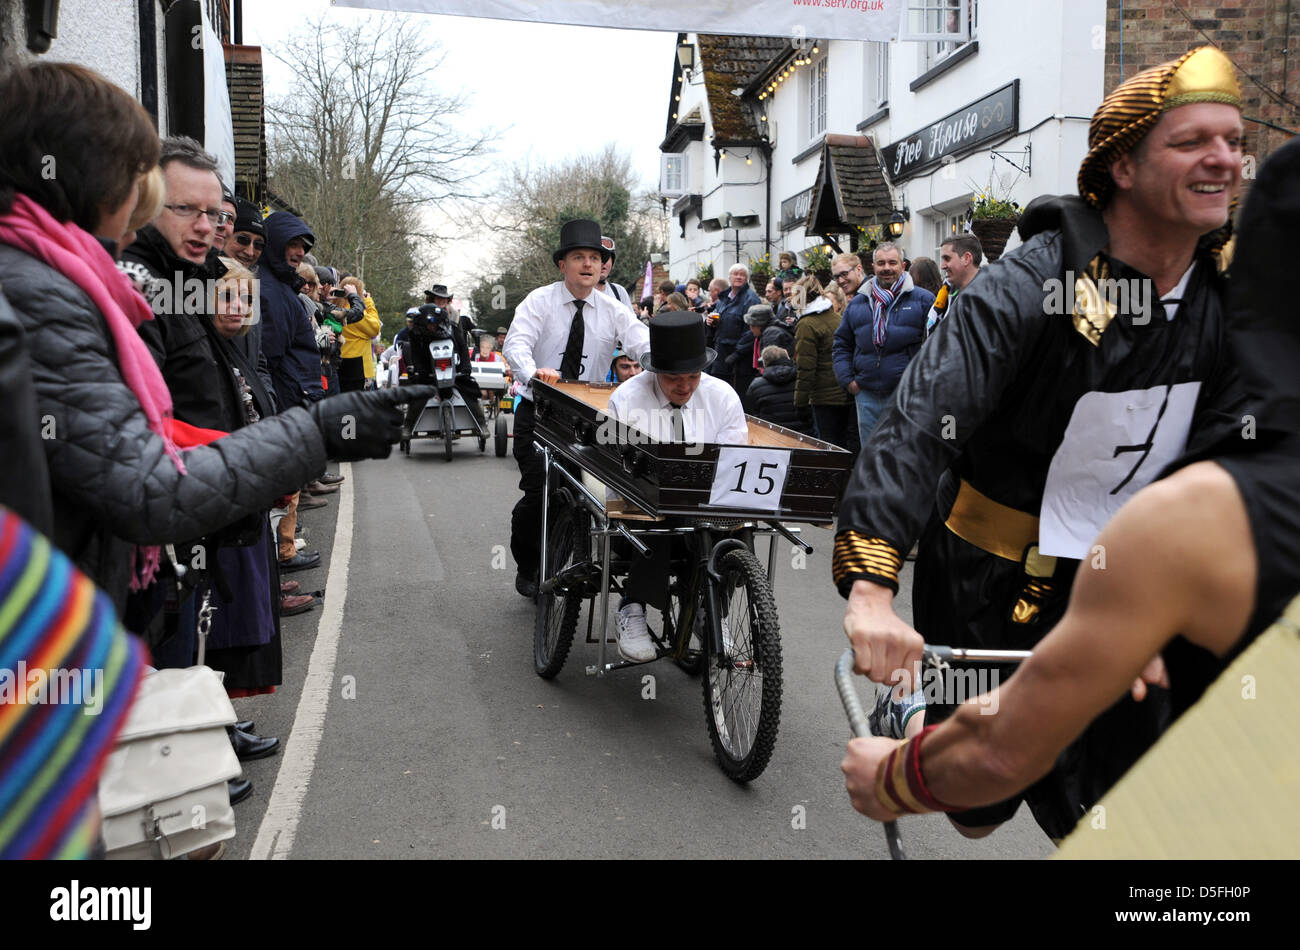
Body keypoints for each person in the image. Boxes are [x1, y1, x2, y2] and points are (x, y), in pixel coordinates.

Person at [834, 46, 1249, 842]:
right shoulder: (1030, 283)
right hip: (988, 578)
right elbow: (922, 419)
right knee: (978, 808)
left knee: (1123, 810)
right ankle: (923, 723)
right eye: (1193, 140)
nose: (1223, 159)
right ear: (1123, 166)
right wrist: (871, 593)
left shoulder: (1230, 294)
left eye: (1233, 140)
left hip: (1127, 590)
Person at [0, 60, 423, 616]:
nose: (141, 201)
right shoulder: (50, 292)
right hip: (51, 627)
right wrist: (311, 435)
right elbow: (147, 486)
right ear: (91, 180)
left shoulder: (72, 277)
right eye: (136, 179)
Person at [503, 218, 650, 598]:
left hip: (585, 418)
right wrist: (534, 372)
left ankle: (573, 562)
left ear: (603, 266)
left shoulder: (613, 309)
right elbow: (515, 345)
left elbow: (641, 342)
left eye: (595, 258)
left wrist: (667, 363)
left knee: (593, 495)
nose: (588, 264)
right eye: (579, 257)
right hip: (538, 411)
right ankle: (530, 565)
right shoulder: (539, 301)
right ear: (562, 265)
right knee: (541, 494)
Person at [606, 311, 748, 660]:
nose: (684, 386)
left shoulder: (722, 396)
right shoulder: (627, 399)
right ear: (655, 371)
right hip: (643, 507)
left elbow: (737, 459)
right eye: (673, 378)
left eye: (693, 376)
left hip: (708, 502)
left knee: (739, 521)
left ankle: (713, 610)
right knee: (660, 517)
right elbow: (617, 473)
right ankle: (633, 606)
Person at [832, 244, 934, 446]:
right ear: (873, 266)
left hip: (906, 395)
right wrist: (848, 380)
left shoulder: (923, 299)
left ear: (902, 265)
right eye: (881, 263)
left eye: (892, 262)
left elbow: (937, 345)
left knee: (905, 456)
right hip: (867, 395)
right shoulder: (858, 303)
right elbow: (842, 344)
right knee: (872, 460)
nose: (886, 267)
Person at [793, 275, 858, 454]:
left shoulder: (807, 324)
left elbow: (806, 368)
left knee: (828, 448)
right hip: (845, 392)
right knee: (845, 445)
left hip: (823, 396)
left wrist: (800, 403)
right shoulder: (836, 318)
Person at [709, 263, 760, 383]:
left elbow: (751, 330)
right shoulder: (724, 297)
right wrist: (710, 322)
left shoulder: (751, 299)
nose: (738, 277)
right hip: (721, 353)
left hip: (739, 359)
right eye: (735, 274)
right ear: (729, 277)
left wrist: (737, 354)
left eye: (742, 275)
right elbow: (717, 316)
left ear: (746, 279)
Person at [745, 345, 814, 434]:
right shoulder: (802, 380)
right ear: (787, 358)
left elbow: (752, 414)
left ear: (765, 363)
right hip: (803, 436)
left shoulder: (755, 386)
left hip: (770, 436)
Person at [927, 233, 984, 336]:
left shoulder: (987, 297)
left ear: (966, 258)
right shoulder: (948, 293)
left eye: (947, 259)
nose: (942, 266)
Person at [733, 303, 793, 399]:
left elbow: (773, 368)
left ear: (759, 324)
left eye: (752, 325)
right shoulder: (769, 332)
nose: (750, 329)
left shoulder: (771, 335)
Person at [338, 275, 382, 392]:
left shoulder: (338, 308)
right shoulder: (356, 313)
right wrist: (368, 302)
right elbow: (375, 328)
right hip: (357, 366)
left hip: (341, 361)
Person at [597, 235, 634, 307]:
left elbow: (630, 318)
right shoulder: (580, 293)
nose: (603, 263)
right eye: (597, 258)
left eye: (607, 258)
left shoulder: (619, 292)